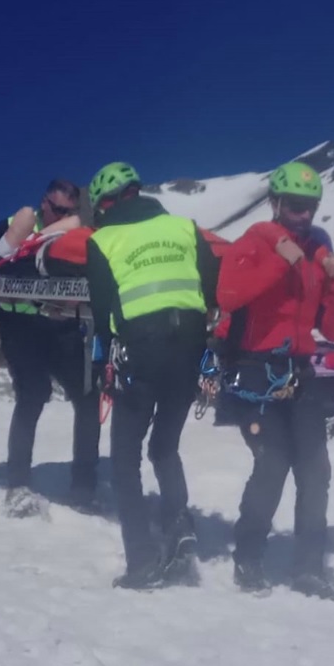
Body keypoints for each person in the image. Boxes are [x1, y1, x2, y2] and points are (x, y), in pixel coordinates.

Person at [214, 161, 334, 600]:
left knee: (315, 469)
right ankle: (249, 556)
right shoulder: (255, 240)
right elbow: (228, 295)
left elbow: (331, 330)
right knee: (272, 464)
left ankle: (309, 567)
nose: (304, 215)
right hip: (257, 371)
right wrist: (279, 262)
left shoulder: (316, 249)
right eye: (295, 206)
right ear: (275, 203)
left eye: (311, 207)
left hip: (301, 368)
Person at [85, 162, 219, 590]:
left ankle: (141, 561)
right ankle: (178, 525)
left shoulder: (102, 240)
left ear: (104, 203)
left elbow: (103, 313)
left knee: (125, 460)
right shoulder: (184, 227)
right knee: (164, 448)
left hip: (140, 354)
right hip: (189, 352)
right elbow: (212, 286)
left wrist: (103, 367)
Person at [0, 180, 101, 517]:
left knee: (87, 396)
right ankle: (18, 483)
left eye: (70, 211)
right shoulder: (16, 225)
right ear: (45, 204)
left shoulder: (73, 236)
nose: (63, 216)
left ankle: (84, 484)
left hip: (61, 327)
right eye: (59, 209)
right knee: (32, 396)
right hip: (20, 327)